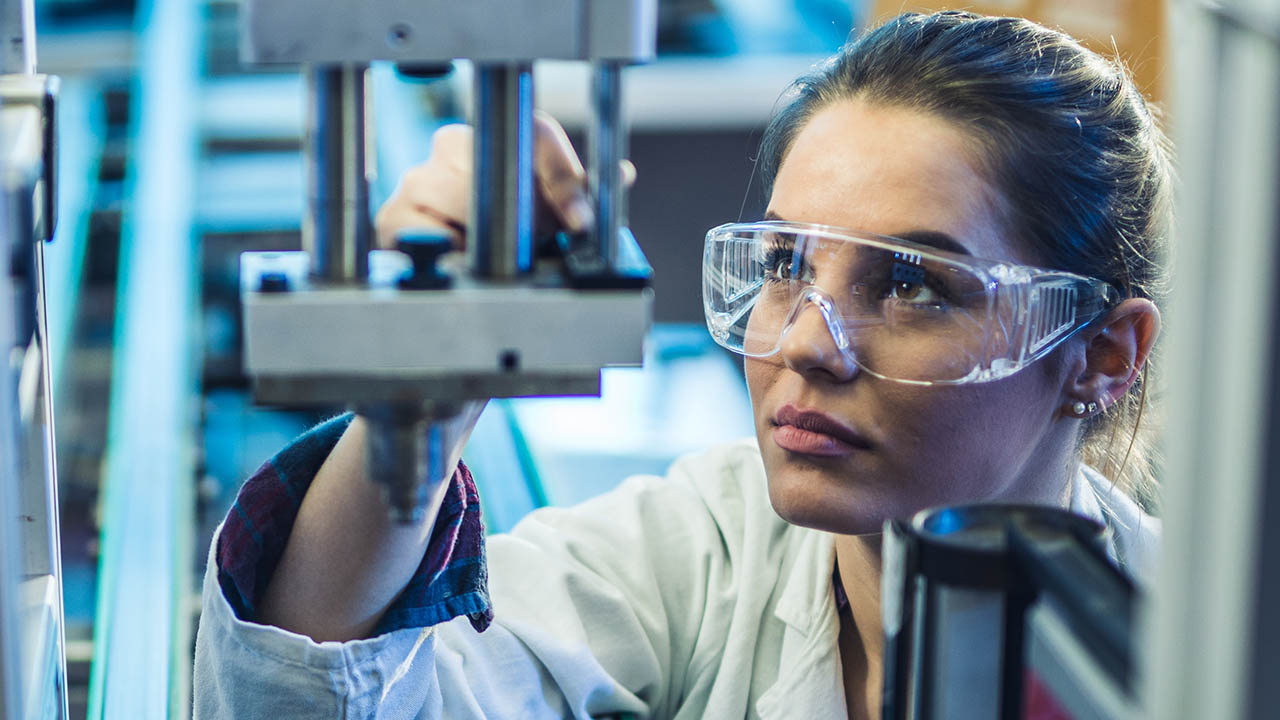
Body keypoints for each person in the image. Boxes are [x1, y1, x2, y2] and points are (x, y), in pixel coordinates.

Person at [193, 10, 1170, 719]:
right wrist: (415, 413)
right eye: (784, 263)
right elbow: (324, 698)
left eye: (913, 285)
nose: (798, 342)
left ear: (1100, 354)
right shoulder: (687, 559)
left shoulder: (1198, 662)